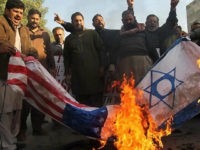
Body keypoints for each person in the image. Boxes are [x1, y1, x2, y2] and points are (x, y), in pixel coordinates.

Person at [17, 8, 55, 141]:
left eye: (37, 19)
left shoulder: (44, 33)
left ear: (40, 20)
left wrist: (52, 66)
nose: (35, 21)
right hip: (25, 69)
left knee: (39, 99)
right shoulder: (21, 30)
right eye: (32, 18)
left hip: (41, 70)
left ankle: (37, 128)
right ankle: (21, 130)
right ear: (28, 18)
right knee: (24, 100)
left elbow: (49, 51)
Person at [0, 0, 31, 149]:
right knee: (5, 112)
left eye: (21, 12)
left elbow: (30, 49)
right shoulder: (1, 22)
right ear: (7, 11)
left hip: (20, 76)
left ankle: (12, 140)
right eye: (15, 11)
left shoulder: (24, 29)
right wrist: (7, 48)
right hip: (5, 74)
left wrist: (32, 55)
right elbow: (2, 44)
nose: (18, 15)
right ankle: (7, 145)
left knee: (17, 110)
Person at [63, 12, 105, 107]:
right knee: (82, 108)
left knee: (96, 107)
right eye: (76, 21)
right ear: (72, 23)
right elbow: (67, 58)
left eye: (80, 20)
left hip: (95, 77)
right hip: (78, 79)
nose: (78, 23)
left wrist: (102, 67)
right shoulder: (69, 39)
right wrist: (67, 73)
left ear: (83, 21)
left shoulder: (92, 34)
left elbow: (102, 50)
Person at [114, 9, 152, 85]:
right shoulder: (118, 35)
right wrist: (113, 65)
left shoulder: (143, 31)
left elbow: (151, 47)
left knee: (144, 88)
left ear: (134, 18)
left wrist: (155, 61)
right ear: (122, 21)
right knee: (129, 89)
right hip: (125, 65)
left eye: (130, 19)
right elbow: (114, 51)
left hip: (143, 63)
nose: (128, 21)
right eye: (126, 20)